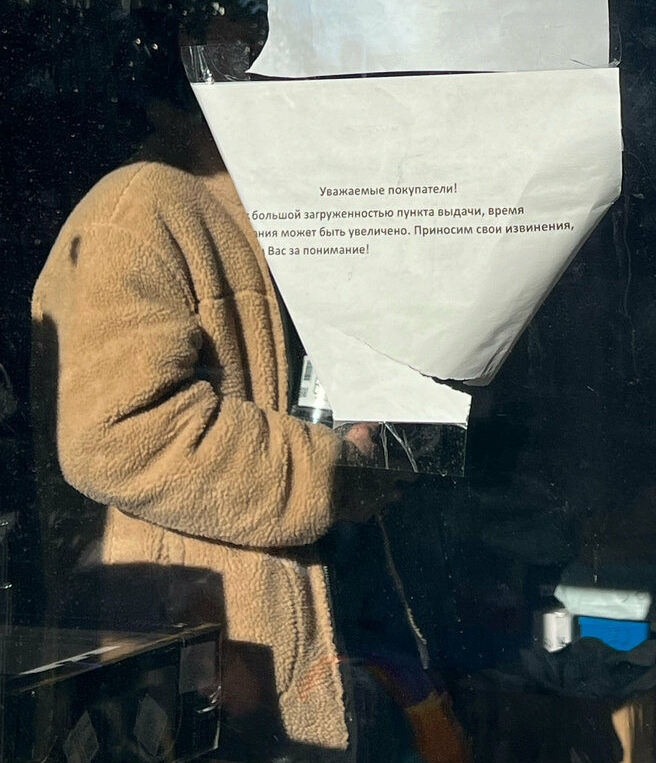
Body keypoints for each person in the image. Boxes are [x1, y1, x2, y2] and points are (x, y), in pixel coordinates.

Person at [31, 73, 414, 760]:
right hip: (205, 672)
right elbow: (116, 435)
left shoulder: (292, 213)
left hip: (314, 643)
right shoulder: (138, 208)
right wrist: (338, 473)